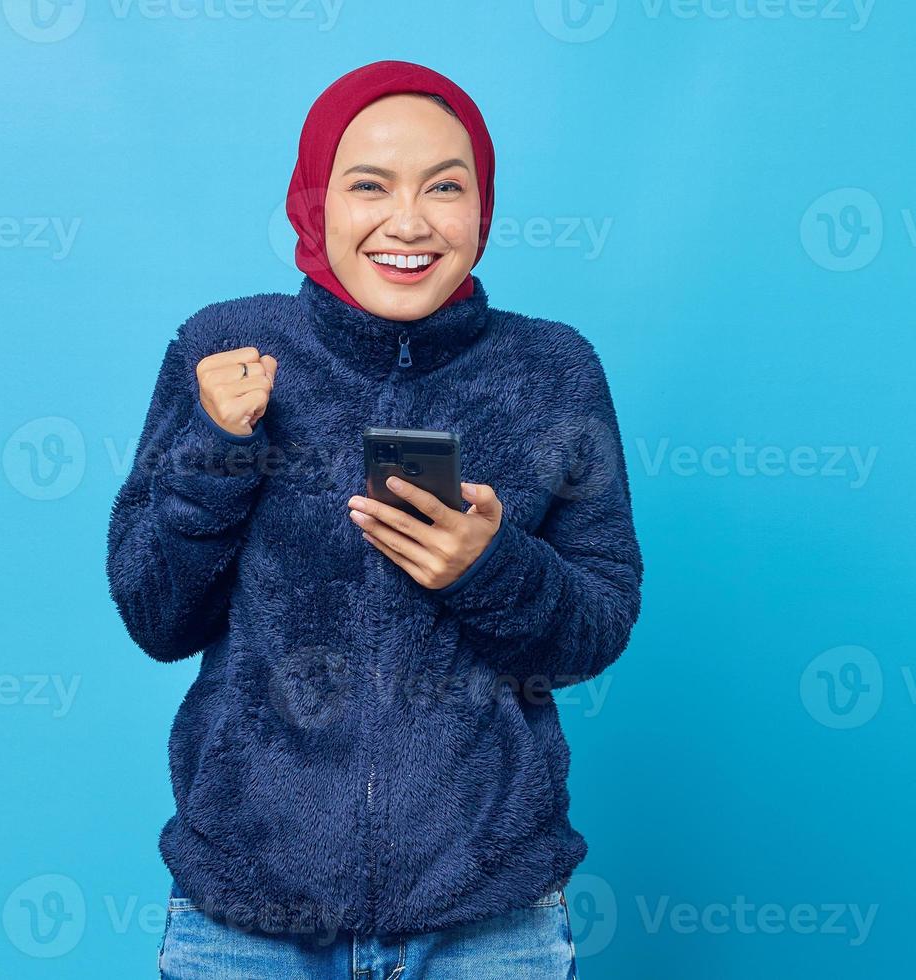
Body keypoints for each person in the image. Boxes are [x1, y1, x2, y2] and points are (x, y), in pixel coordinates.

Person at [106, 59, 644, 979]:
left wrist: (490, 567)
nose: (409, 222)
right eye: (370, 186)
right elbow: (157, 618)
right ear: (315, 203)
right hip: (247, 915)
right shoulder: (225, 348)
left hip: (488, 917)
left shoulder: (555, 371)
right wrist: (215, 451)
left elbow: (596, 628)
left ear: (484, 204)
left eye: (445, 186)